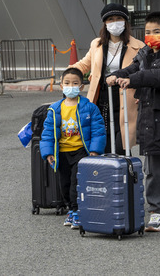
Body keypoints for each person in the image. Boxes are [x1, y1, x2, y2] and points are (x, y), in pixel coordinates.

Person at [106, 11, 160, 231]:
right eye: (147, 32)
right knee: (152, 171)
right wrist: (118, 74)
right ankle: (156, 211)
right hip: (150, 120)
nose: (151, 36)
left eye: (156, 32)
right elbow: (134, 67)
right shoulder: (145, 53)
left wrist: (132, 79)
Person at [70, 3, 145, 155]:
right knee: (101, 138)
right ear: (105, 23)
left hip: (126, 97)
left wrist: (143, 93)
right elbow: (85, 64)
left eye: (118, 18)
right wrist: (69, 74)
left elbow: (144, 73)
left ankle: (122, 172)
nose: (114, 22)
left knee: (121, 143)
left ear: (125, 22)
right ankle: (105, 174)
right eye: (110, 19)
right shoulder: (96, 44)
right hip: (102, 97)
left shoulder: (139, 46)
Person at [40, 68, 106, 229]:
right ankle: (71, 209)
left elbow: (98, 130)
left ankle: (77, 212)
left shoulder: (89, 108)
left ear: (81, 87)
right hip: (61, 153)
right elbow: (48, 133)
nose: (71, 86)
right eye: (67, 83)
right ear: (61, 86)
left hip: (81, 153)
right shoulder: (55, 109)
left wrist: (95, 150)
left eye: (75, 83)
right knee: (64, 184)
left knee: (76, 183)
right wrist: (48, 152)